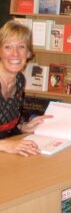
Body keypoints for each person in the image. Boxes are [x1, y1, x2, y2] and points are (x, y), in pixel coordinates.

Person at [0, 20, 50, 156]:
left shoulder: (19, 80)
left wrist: (23, 127)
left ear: (28, 53)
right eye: (8, 47)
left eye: (21, 47)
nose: (15, 54)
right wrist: (4, 145)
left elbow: (6, 127)